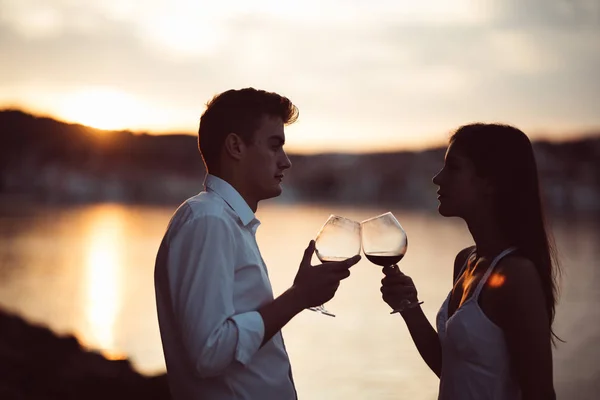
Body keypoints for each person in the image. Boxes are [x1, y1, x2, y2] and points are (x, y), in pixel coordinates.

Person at [154, 88, 360, 400]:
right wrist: (297, 298)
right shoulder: (208, 221)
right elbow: (208, 353)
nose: (286, 161)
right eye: (275, 146)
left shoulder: (227, 222)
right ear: (236, 146)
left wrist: (300, 297)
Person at [381, 123, 560, 399]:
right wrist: (408, 307)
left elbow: (540, 394)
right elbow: (451, 368)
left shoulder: (516, 275)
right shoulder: (466, 260)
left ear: (490, 181)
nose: (437, 178)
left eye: (453, 167)